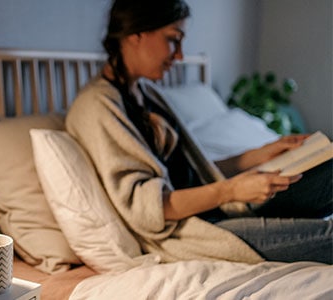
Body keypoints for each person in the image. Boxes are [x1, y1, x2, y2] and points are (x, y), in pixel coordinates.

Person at [66, 0, 332, 264]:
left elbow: (192, 172)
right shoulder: (96, 108)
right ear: (136, 34)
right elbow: (146, 209)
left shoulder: (145, 94)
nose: (180, 55)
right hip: (191, 232)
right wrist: (230, 190)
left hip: (221, 208)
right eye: (173, 40)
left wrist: (259, 155)